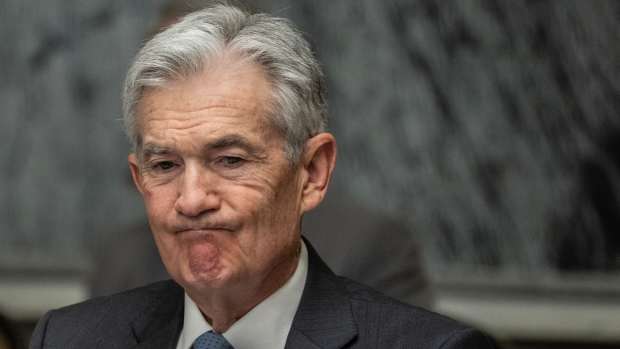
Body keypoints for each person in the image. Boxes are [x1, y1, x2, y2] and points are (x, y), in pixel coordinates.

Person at [30, 4, 495, 348]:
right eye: (166, 165)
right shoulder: (69, 339)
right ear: (139, 179)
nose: (191, 200)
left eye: (230, 160)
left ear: (311, 173)